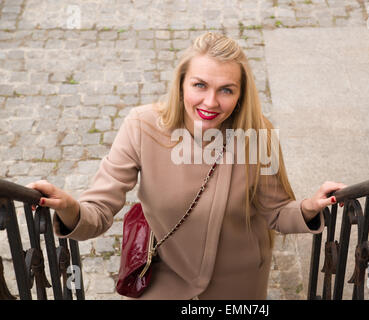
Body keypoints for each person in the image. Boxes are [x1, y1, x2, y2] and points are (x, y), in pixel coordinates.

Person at [26, 32, 346, 300]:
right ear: (181, 84)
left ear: (240, 95)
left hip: (239, 284)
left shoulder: (258, 134)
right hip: (165, 277)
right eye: (200, 85)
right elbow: (98, 211)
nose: (210, 102)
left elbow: (277, 212)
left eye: (226, 90)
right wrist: (69, 207)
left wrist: (308, 207)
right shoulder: (141, 126)